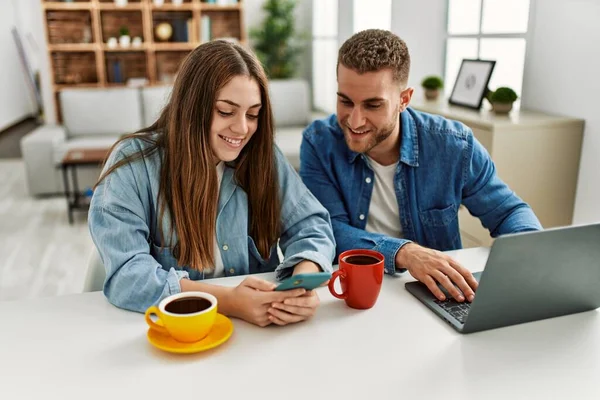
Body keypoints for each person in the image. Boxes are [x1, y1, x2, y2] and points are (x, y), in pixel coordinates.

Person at [88, 40, 335, 327]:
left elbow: (312, 225)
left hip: (259, 332)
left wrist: (299, 283)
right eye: (226, 111)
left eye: (253, 114)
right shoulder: (133, 165)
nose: (242, 128)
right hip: (176, 331)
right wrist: (229, 302)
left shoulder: (262, 157)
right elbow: (128, 275)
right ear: (192, 107)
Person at [300, 29, 541, 304]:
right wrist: (405, 253)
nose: (354, 121)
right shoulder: (319, 143)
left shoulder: (454, 145)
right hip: (351, 295)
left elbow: (509, 212)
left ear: (404, 99)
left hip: (437, 296)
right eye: (345, 101)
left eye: (373, 105)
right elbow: (329, 228)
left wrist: (528, 261)